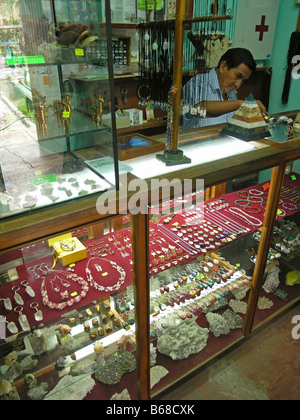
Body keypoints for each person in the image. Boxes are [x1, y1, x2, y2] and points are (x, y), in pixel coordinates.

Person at [182, 48, 267, 130]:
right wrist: (240, 104)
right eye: (238, 76)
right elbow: (198, 110)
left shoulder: (231, 93)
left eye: (243, 81)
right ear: (223, 66)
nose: (238, 84)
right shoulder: (197, 83)